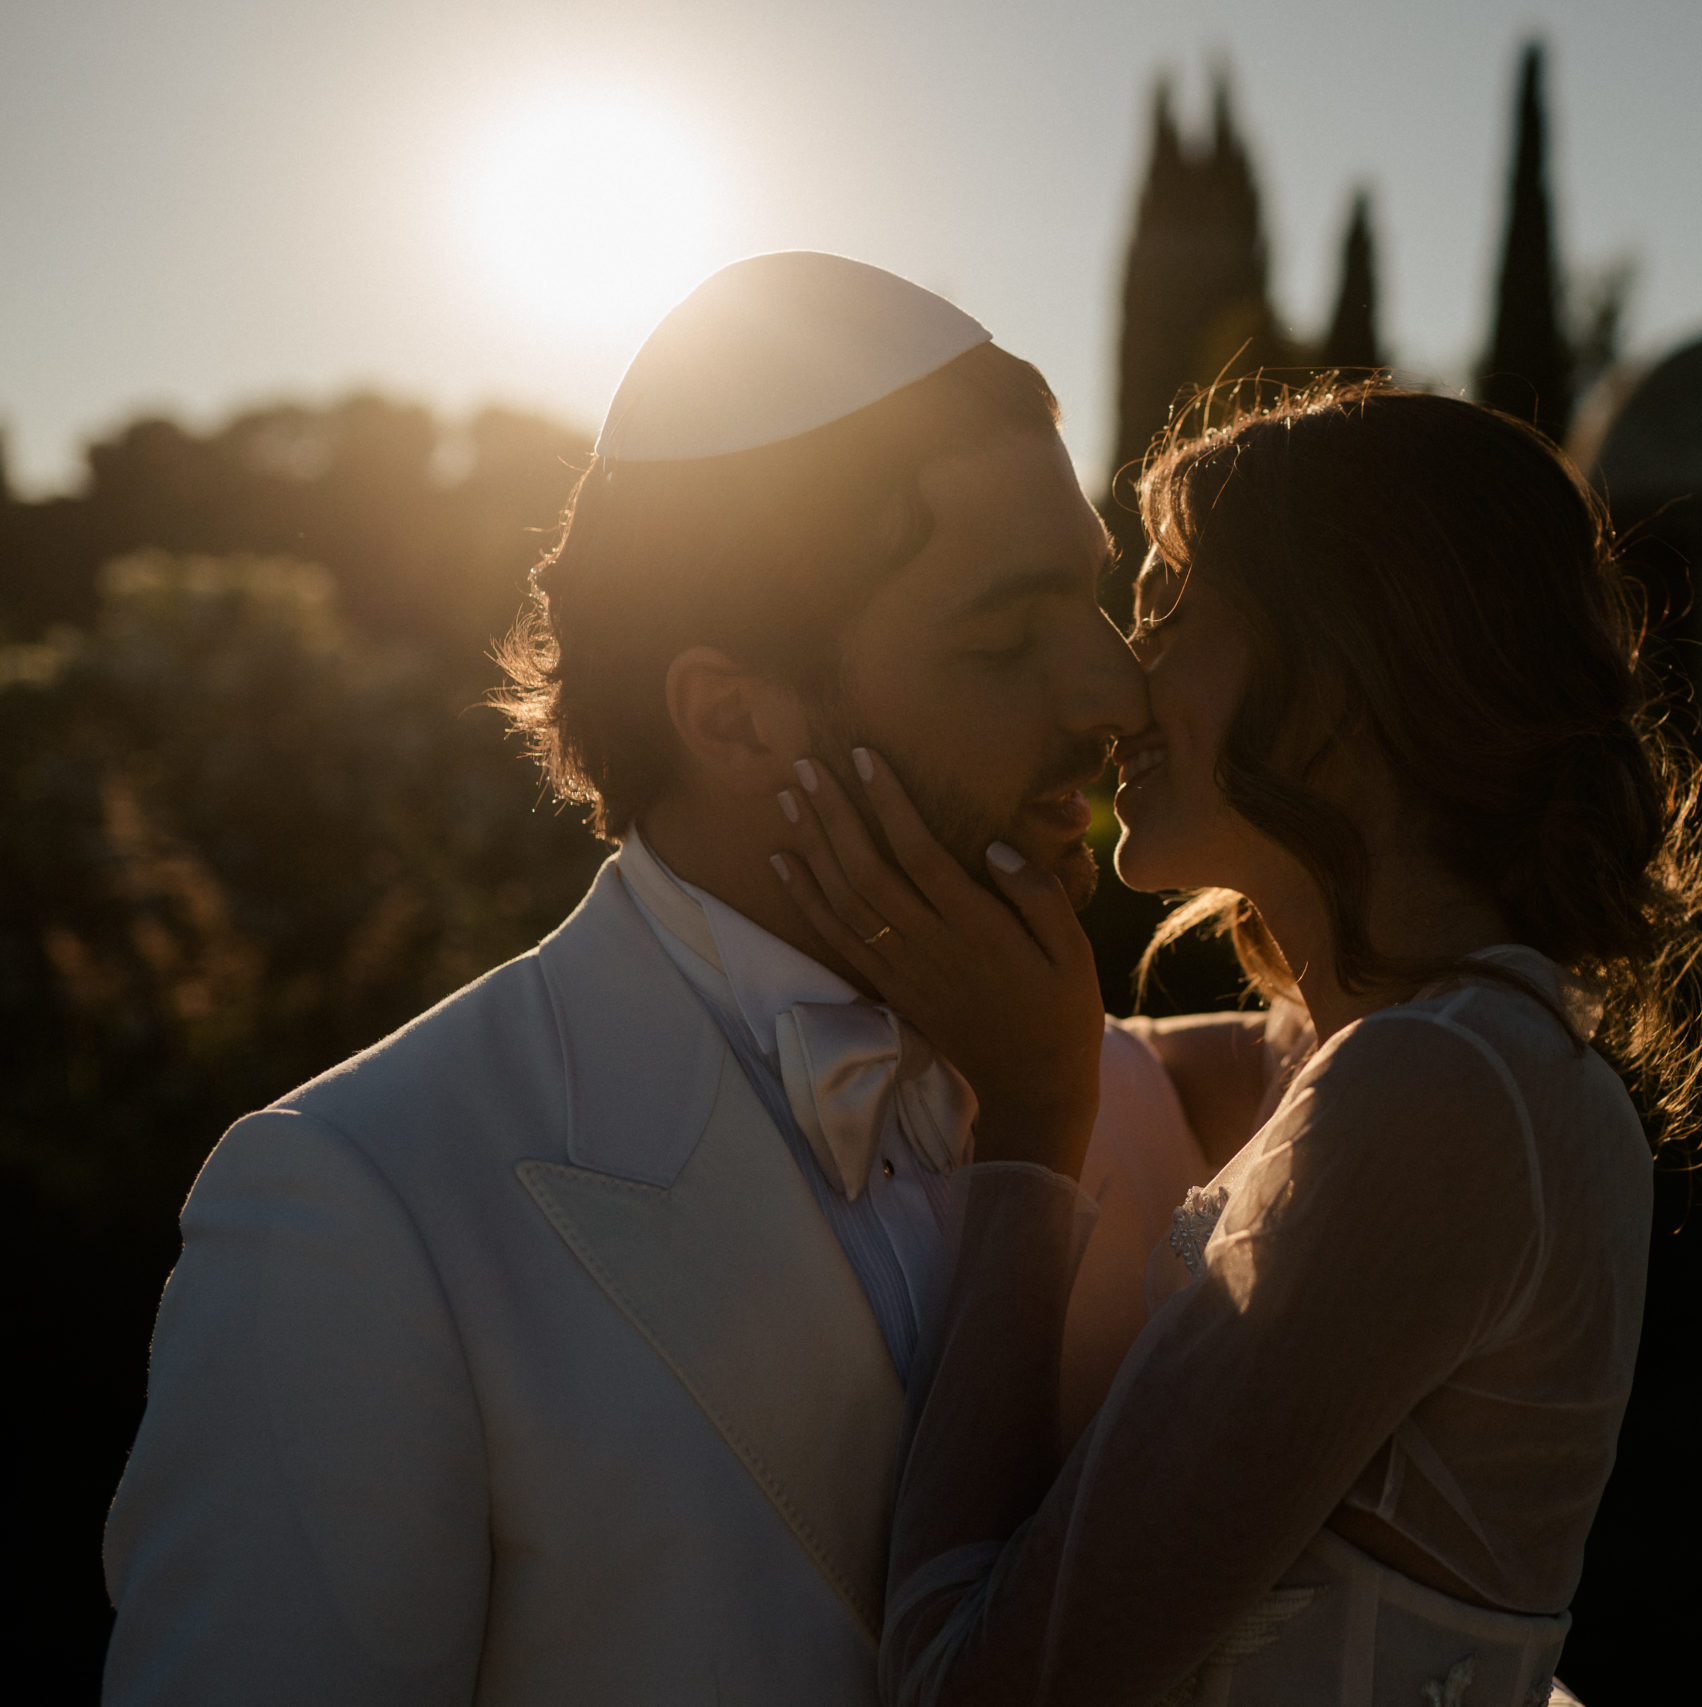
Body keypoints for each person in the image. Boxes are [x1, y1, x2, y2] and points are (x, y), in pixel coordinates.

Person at [99, 253, 1212, 1704]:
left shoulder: (1114, 1096)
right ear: (735, 720)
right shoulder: (363, 1207)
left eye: (1096, 596)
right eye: (1007, 637)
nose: (1114, 692)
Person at [771, 382, 1702, 1705]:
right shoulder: (1374, 1054)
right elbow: (1187, 1062)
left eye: (1172, 609)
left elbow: (973, 1689)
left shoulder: (1435, 1095)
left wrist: (1032, 1123)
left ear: (1344, 674)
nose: (1122, 679)